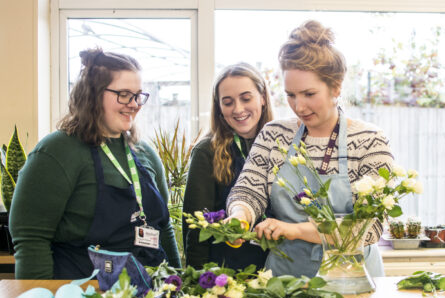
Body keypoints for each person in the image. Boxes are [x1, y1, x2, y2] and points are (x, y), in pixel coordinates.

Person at [226, 20, 394, 278]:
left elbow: (367, 227)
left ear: (336, 87)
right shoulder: (275, 135)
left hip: (355, 281)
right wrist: (240, 215)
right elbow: (249, 189)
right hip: (286, 278)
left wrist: (293, 230)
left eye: (309, 94)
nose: (299, 106)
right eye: (291, 95)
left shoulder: (369, 141)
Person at [9, 48, 181, 279]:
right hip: (81, 295)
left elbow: (164, 228)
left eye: (138, 95)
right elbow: (31, 239)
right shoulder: (57, 151)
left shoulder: (145, 153)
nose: (134, 104)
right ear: (92, 94)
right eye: (123, 94)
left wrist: (179, 283)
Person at [183, 62, 273, 270]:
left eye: (246, 98)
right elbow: (195, 229)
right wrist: (199, 281)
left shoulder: (282, 145)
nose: (238, 109)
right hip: (228, 276)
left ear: (263, 98)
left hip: (279, 271)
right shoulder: (207, 152)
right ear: (219, 108)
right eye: (228, 102)